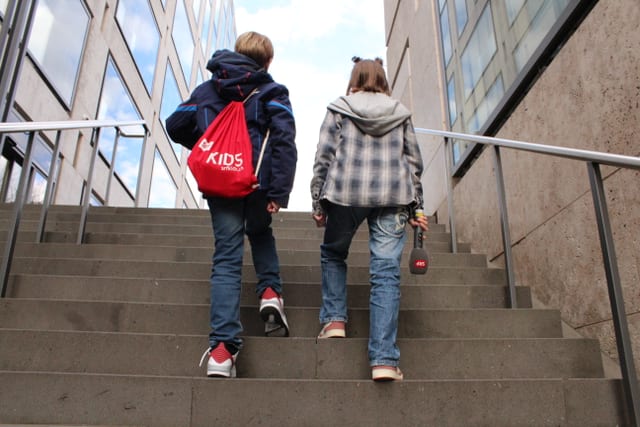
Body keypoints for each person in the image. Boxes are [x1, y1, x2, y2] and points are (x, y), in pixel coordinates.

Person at [166, 31, 297, 378]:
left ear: (236, 53)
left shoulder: (208, 89)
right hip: (257, 181)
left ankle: (222, 352)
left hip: (220, 181)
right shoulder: (273, 91)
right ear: (267, 61)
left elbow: (175, 124)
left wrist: (210, 141)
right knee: (260, 232)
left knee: (226, 258)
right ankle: (270, 292)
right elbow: (284, 141)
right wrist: (279, 193)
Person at [310, 57, 428, 382]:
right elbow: (413, 163)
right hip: (393, 197)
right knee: (386, 274)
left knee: (333, 253)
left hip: (345, 194)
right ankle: (384, 360)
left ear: (355, 78)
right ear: (383, 80)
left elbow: (324, 156)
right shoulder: (400, 112)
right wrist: (418, 208)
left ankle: (334, 320)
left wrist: (318, 200)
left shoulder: (339, 108)